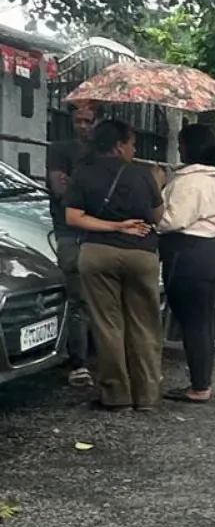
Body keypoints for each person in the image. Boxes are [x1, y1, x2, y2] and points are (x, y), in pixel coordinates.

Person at [64, 119, 164, 411]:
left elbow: (74, 217)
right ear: (119, 145)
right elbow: (159, 217)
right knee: (144, 325)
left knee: (108, 326)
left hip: (97, 254)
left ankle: (116, 395)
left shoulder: (83, 173)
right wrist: (157, 185)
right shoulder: (144, 175)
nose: (134, 149)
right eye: (132, 143)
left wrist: (113, 226)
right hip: (141, 255)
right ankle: (146, 395)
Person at [158, 123, 215, 403]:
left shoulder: (190, 181)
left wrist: (156, 193)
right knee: (202, 320)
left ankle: (200, 386)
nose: (178, 148)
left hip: (188, 254)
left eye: (181, 143)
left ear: (190, 147)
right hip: (212, 251)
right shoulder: (214, 179)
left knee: (192, 323)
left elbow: (172, 220)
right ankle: (203, 381)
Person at [46, 100, 103, 387]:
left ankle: (98, 356)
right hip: (70, 233)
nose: (82, 126)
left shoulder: (101, 154)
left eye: (88, 121)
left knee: (101, 298)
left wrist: (79, 188)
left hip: (98, 233)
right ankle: (79, 362)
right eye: (78, 120)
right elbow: (60, 191)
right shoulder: (60, 150)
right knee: (78, 298)